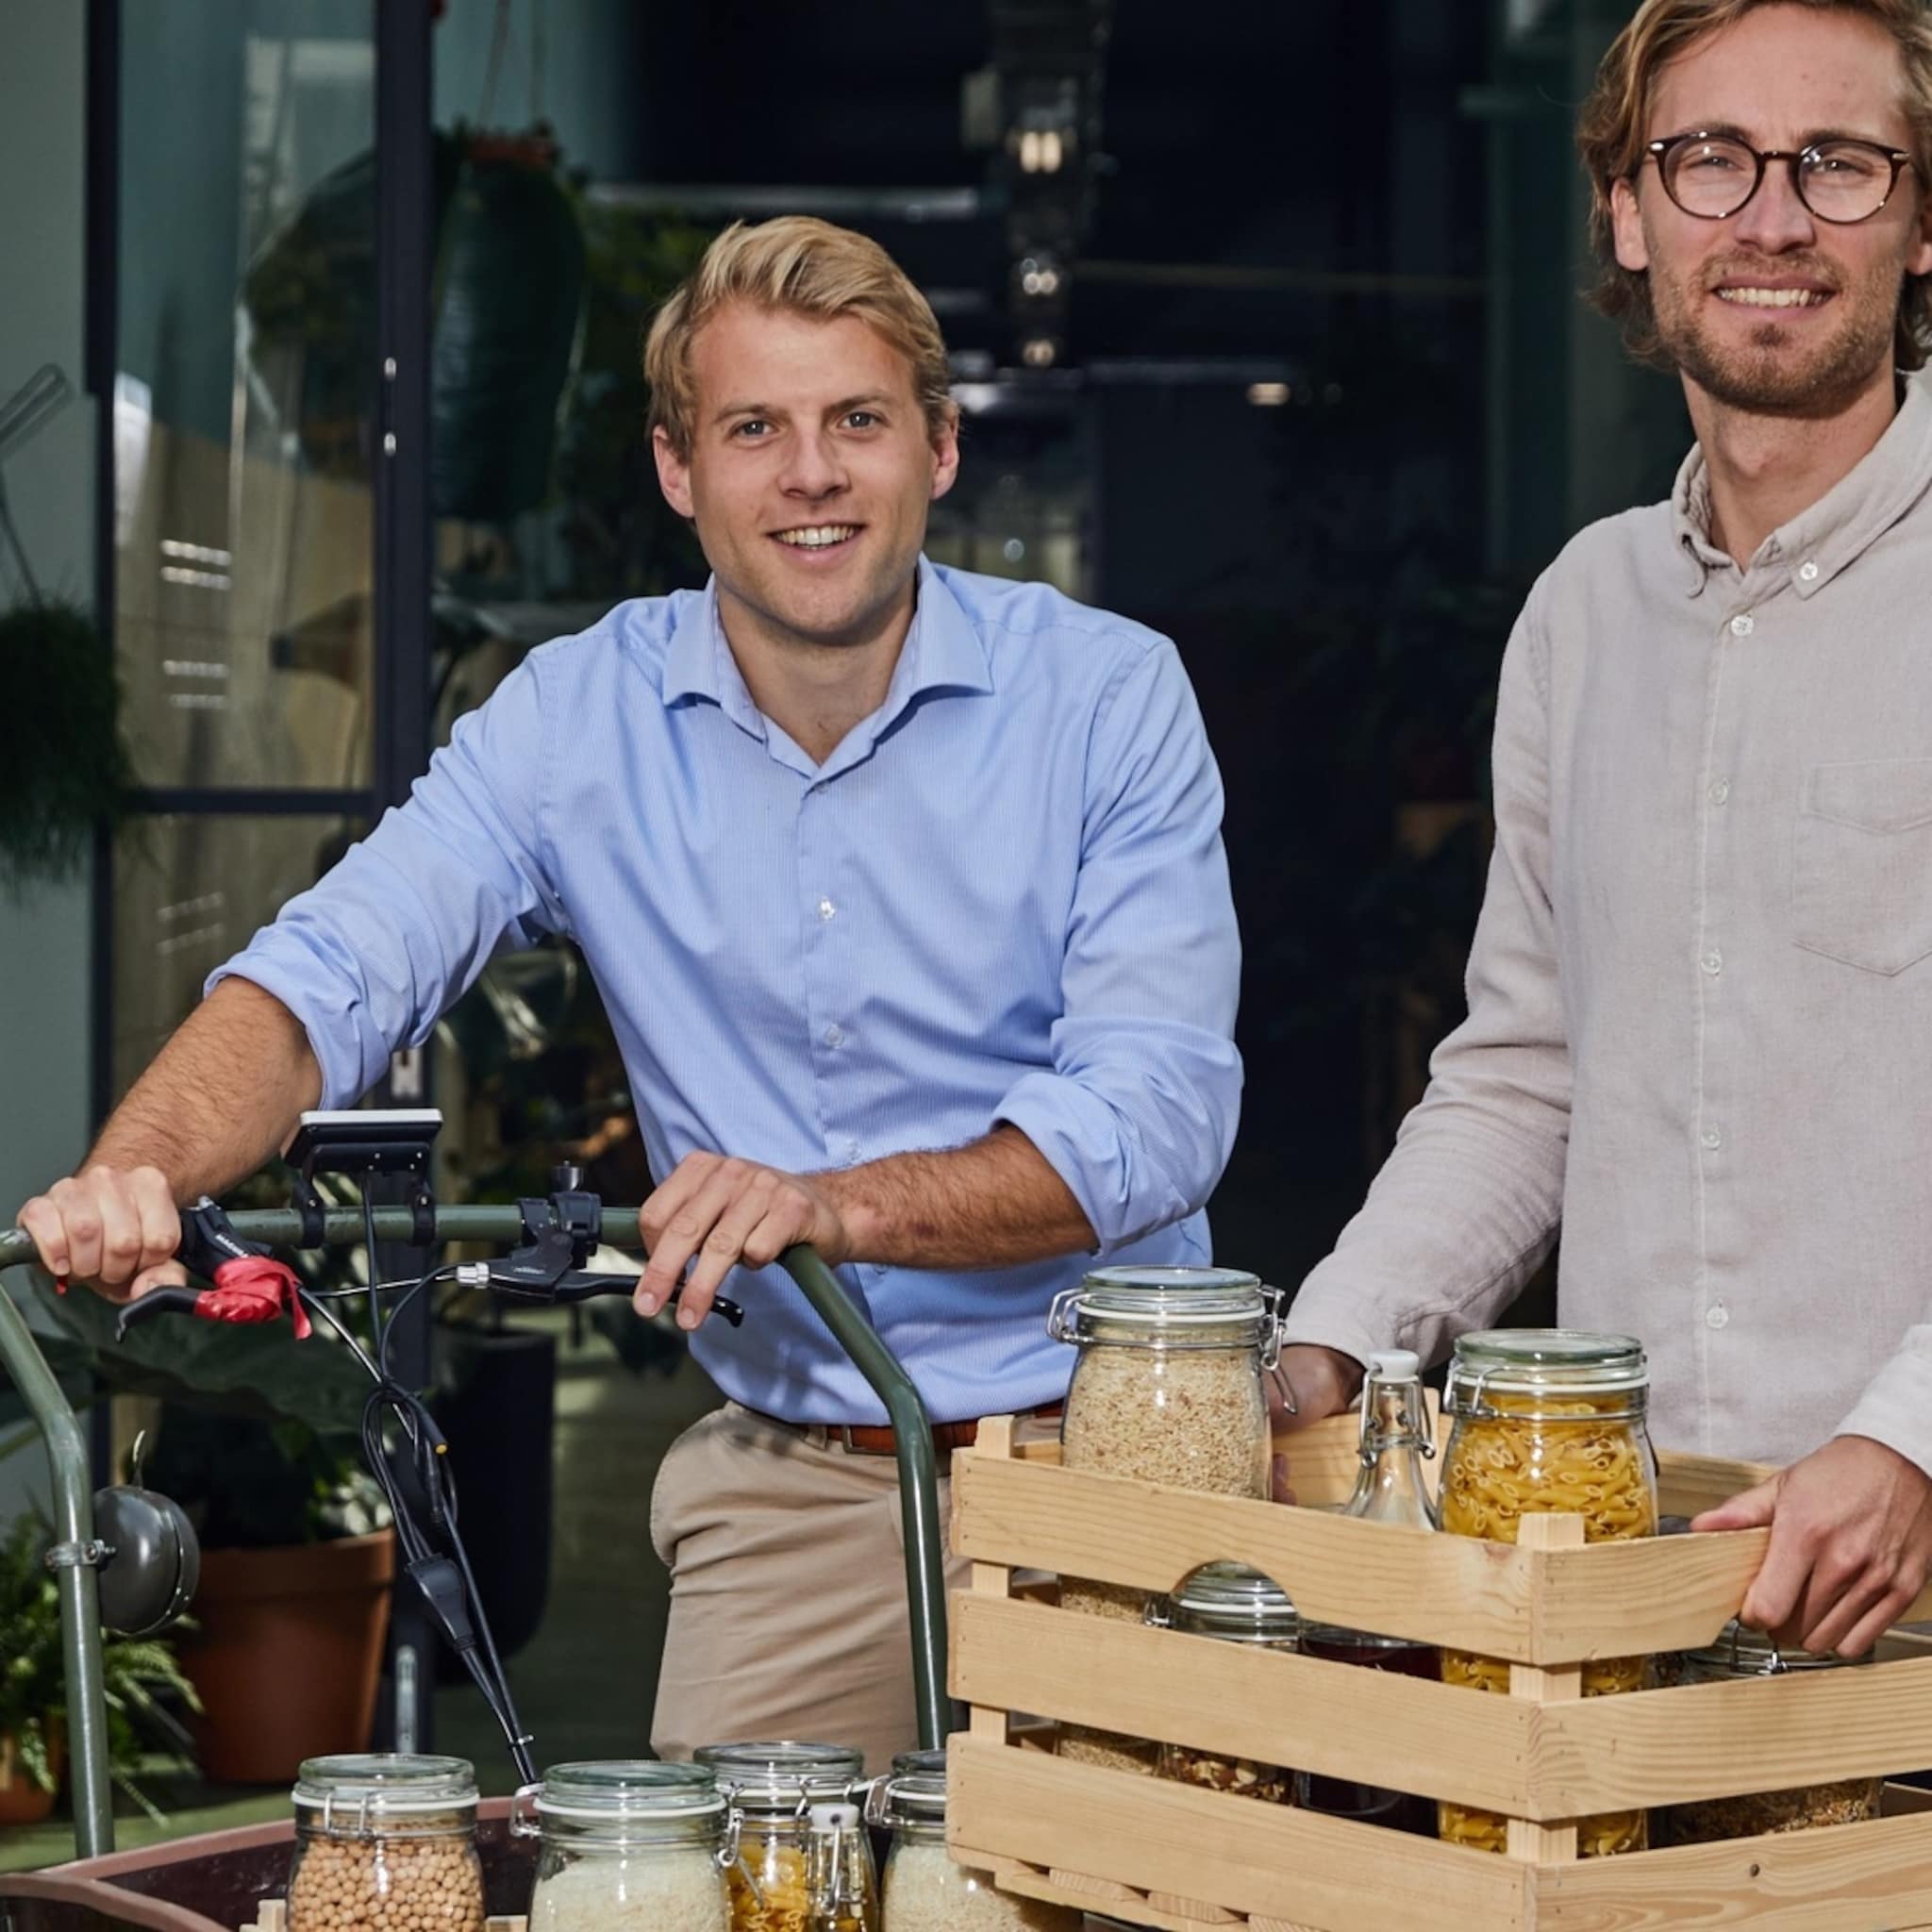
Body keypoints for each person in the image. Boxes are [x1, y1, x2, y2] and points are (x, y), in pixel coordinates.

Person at [15, 217, 1242, 1766]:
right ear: (678, 470)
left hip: (1117, 1454)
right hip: (798, 1482)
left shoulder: (1108, 697)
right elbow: (333, 971)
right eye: (754, 429)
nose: (810, 474)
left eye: (856, 421)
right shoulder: (576, 717)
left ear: (937, 448)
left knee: (1142, 1879)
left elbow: (1160, 1115)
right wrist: (135, 1170)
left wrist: (831, 1207)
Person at [1279, 0, 1932, 1663]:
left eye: (1841, 165)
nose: (1772, 220)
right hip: (1642, 1572)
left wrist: (1915, 1436)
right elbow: (1527, 1073)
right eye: (1709, 160)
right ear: (1628, 217)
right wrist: (1331, 1351)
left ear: (1925, 220)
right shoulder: (1583, 613)